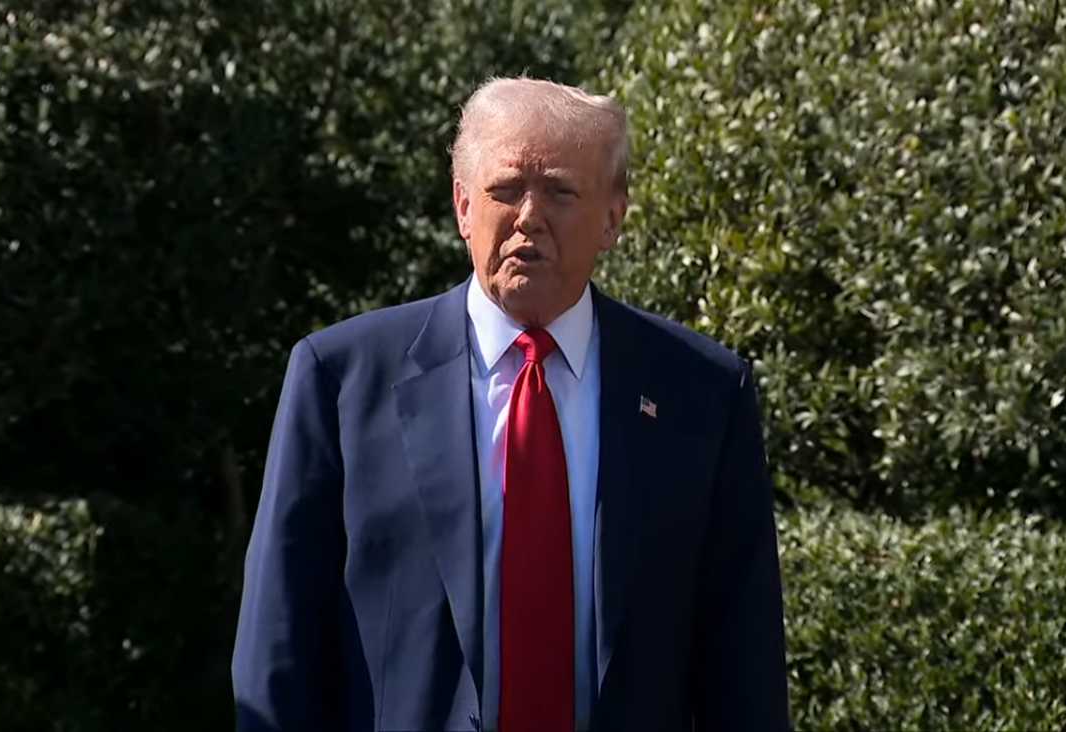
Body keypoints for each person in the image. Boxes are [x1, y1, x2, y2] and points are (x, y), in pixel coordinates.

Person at [232, 76, 790, 732]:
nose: (529, 217)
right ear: (463, 206)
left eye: (559, 191)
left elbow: (743, 659)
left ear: (614, 216)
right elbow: (278, 643)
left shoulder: (702, 392)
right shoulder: (342, 379)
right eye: (505, 190)